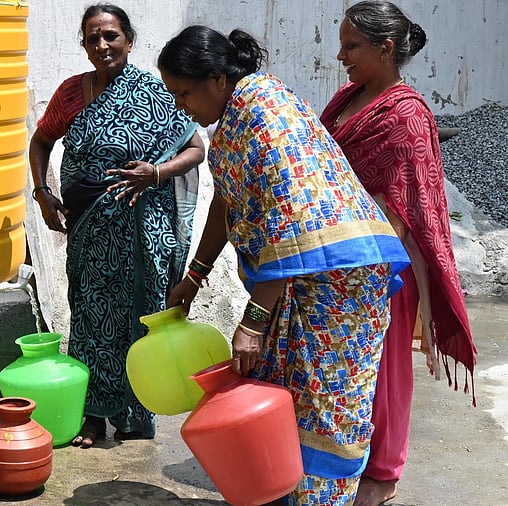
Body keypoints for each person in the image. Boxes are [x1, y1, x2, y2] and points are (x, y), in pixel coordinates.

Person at [159, 26, 410, 505]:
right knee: (284, 396)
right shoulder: (236, 117)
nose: (180, 106)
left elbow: (288, 218)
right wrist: (193, 276)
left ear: (216, 78)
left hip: (339, 284)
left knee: (325, 408)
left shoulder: (262, 110)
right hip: (302, 279)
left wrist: (254, 321)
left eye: (184, 93)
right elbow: (226, 205)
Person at [318, 3, 477, 505]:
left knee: (385, 369)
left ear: (385, 49)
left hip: (384, 261)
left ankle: (384, 472)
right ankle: (347, 456)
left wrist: (420, 299)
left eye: (351, 47)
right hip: (338, 253)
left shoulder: (406, 113)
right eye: (342, 44)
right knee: (344, 368)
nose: (340, 56)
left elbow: (412, 204)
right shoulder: (349, 95)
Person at [28, 3, 204, 448]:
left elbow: (195, 148)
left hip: (145, 231)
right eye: (93, 38)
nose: (102, 46)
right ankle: (92, 415)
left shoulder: (157, 91)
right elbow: (41, 140)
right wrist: (43, 193)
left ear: (129, 40)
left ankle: (134, 414)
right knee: (90, 316)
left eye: (111, 36)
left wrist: (156, 174)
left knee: (140, 317)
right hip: (88, 229)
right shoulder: (71, 93)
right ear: (84, 45)